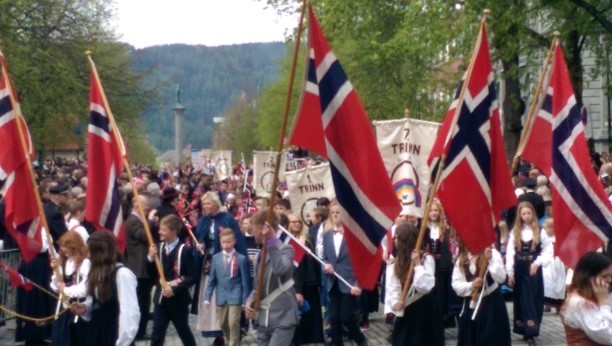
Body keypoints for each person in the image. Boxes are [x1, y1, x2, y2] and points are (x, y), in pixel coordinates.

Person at [194, 191, 247, 345]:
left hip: (227, 263)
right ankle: (219, 333)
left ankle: (232, 331)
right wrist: (200, 245)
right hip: (209, 263)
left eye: (208, 203)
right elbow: (200, 237)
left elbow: (237, 240)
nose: (205, 207)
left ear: (216, 204)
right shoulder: (203, 220)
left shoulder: (227, 218)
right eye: (204, 204)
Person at [71, 231, 140, 346]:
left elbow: (129, 311)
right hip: (97, 332)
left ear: (100, 253)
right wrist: (86, 308)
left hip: (114, 334)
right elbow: (98, 302)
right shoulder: (97, 274)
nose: (88, 256)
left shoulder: (122, 274)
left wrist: (123, 342)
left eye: (91, 252)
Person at [244, 210, 298, 345]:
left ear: (262, 228)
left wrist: (271, 241)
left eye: (254, 227)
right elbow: (257, 287)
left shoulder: (287, 249)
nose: (252, 232)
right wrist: (249, 302)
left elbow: (280, 269)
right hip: (263, 318)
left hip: (283, 316)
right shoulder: (258, 256)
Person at [387, 223, 444, 346]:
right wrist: (395, 302)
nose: (394, 241)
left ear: (404, 239)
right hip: (406, 308)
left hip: (425, 310)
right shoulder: (397, 261)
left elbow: (426, 286)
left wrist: (418, 265)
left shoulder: (426, 259)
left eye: (396, 238)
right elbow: (393, 287)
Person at [147, 215, 197, 346]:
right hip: (161, 300)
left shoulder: (185, 250)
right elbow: (151, 274)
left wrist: (175, 289)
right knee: (157, 335)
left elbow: (193, 276)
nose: (159, 232)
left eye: (163, 230)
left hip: (178, 300)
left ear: (174, 231)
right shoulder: (158, 248)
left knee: (184, 332)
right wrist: (150, 259)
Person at [321, 202, 367, 346]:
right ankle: (337, 342)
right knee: (334, 318)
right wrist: (325, 265)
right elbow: (325, 257)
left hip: (349, 281)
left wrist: (358, 283)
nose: (335, 214)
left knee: (346, 317)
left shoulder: (354, 236)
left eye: (338, 212)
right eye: (333, 212)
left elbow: (361, 261)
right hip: (332, 281)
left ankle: (360, 339)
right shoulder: (327, 235)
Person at [451, 244, 511, 346]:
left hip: (491, 304)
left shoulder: (492, 253)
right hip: (470, 305)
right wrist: (471, 285)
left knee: (491, 339)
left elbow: (501, 278)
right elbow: (456, 285)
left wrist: (490, 259)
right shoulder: (462, 258)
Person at [506, 201, 545, 346]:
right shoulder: (515, 231)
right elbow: (510, 252)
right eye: (523, 214)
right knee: (521, 299)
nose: (526, 216)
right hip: (520, 269)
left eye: (529, 213)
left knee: (532, 299)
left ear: (533, 214)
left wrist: (537, 262)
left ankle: (532, 330)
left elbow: (547, 251)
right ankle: (524, 329)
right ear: (519, 215)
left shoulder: (540, 231)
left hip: (533, 268)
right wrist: (510, 272)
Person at [204, 228, 251, 346]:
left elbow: (245, 282)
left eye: (228, 242)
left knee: (233, 322)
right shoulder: (216, 258)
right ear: (220, 243)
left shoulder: (241, 258)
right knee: (223, 324)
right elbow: (212, 280)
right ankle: (232, 340)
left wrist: (246, 301)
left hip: (236, 295)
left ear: (234, 241)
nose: (226, 245)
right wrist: (207, 297)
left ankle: (233, 343)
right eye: (223, 242)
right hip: (221, 296)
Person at [288, 212, 324, 345]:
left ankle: (314, 337)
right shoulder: (287, 240)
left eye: (299, 221)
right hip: (295, 283)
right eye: (293, 222)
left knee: (312, 311)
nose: (297, 224)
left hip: (311, 281)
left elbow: (314, 261)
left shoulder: (308, 239)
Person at [561, 252, 612, 345]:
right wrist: (604, 304)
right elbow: (607, 336)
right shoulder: (579, 303)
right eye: (604, 276)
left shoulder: (599, 295)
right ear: (588, 277)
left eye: (611, 276)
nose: (610, 280)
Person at [50, 230, 91, 346]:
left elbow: (84, 290)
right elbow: (55, 287)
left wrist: (66, 290)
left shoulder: (85, 263)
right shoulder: (64, 262)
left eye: (67, 247)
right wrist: (56, 271)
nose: (64, 250)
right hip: (63, 310)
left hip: (79, 310)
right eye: (62, 247)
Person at [124, 194, 154, 340]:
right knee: (141, 301)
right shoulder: (132, 221)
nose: (148, 207)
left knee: (145, 299)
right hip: (138, 268)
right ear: (137, 206)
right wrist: (151, 221)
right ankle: (139, 331)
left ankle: (141, 328)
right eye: (145, 205)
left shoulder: (138, 219)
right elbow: (143, 235)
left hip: (143, 266)